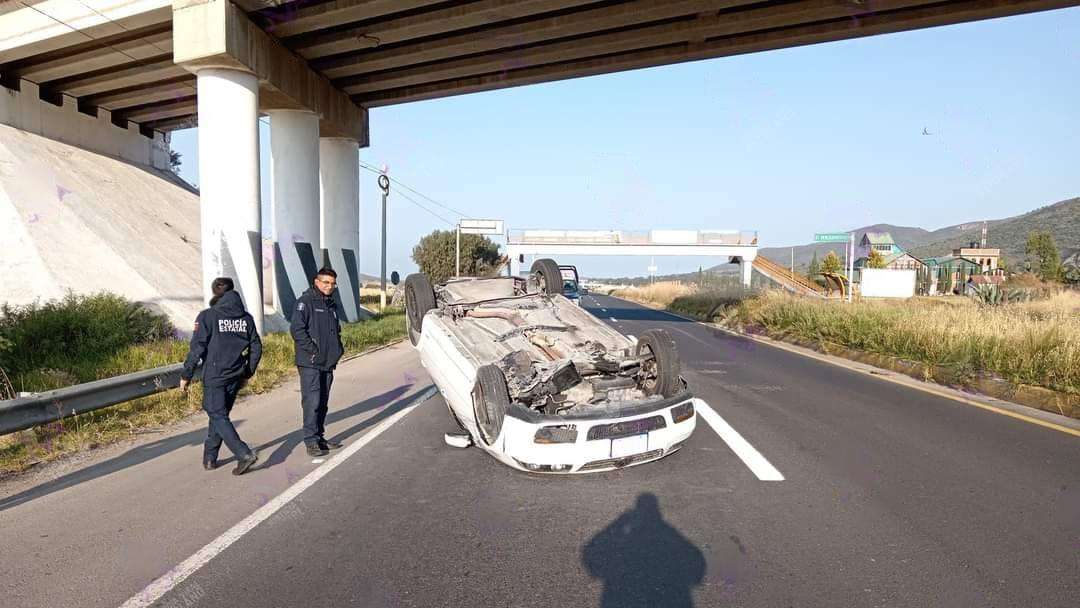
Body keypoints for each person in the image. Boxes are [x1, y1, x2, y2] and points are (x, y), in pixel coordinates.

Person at [179, 277, 261, 475]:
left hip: (215, 375)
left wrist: (186, 374)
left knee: (216, 414)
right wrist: (248, 371)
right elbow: (256, 347)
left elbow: (197, 348)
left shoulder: (208, 316)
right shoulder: (246, 318)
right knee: (219, 415)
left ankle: (244, 454)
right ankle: (210, 458)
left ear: (214, 292)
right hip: (236, 374)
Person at [291, 267, 345, 457]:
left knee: (322, 402)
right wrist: (313, 351)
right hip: (311, 362)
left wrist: (338, 349)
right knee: (312, 401)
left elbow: (335, 331)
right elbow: (297, 330)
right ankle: (310, 440)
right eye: (326, 282)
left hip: (327, 362)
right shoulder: (305, 302)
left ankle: (319, 437)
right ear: (317, 282)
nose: (329, 287)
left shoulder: (331, 304)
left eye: (332, 283)